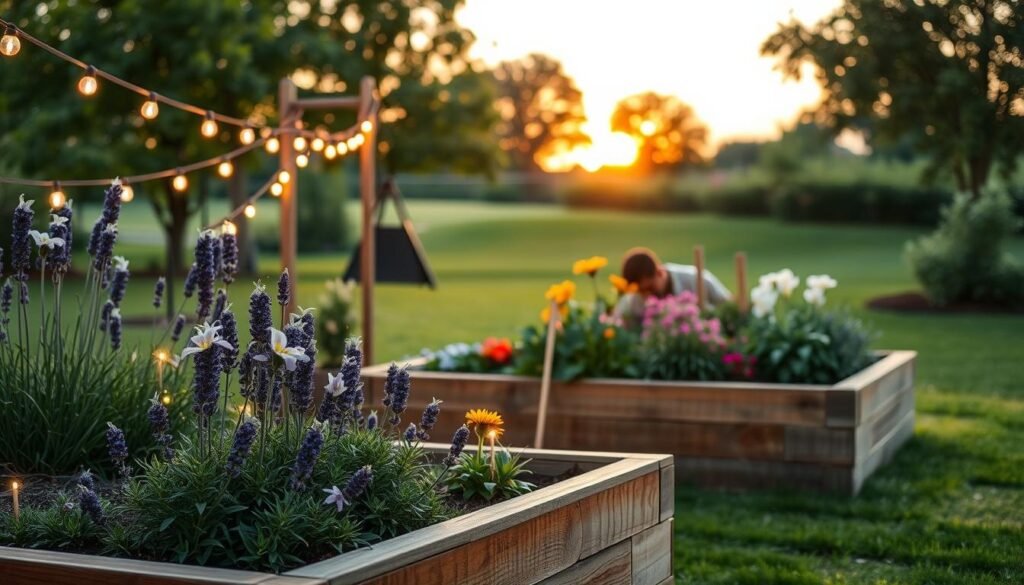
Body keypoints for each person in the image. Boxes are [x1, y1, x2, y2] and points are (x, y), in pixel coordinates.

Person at [613, 247, 732, 322]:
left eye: (650, 288)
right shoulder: (632, 300)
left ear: (660, 272)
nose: (647, 295)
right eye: (641, 291)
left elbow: (730, 307)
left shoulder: (696, 279)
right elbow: (617, 321)